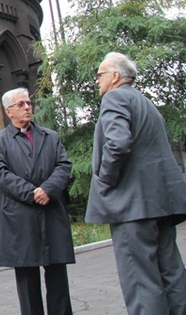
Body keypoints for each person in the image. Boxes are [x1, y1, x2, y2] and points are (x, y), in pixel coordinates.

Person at [86, 52, 186, 314]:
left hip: (132, 206)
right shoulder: (146, 102)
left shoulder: (115, 98)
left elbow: (117, 143)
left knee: (140, 281)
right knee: (172, 272)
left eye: (100, 75)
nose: (97, 81)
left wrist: (105, 179)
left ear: (115, 76)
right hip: (161, 203)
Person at [0, 87, 75, 315]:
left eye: (28, 103)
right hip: (21, 216)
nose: (27, 107)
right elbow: (1, 175)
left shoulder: (50, 136)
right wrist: (32, 193)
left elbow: (64, 166)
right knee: (27, 281)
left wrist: (48, 189)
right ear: (9, 112)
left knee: (57, 276)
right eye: (21, 104)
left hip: (51, 211)